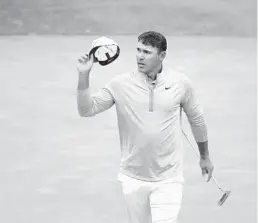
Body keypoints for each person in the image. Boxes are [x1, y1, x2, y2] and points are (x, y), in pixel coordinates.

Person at [77, 31, 214, 223]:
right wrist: (84, 75)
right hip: (133, 177)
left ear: (162, 56)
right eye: (138, 50)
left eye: (147, 52)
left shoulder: (180, 84)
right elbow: (86, 110)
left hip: (169, 177)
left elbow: (197, 120)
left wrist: (205, 156)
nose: (140, 56)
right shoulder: (120, 84)